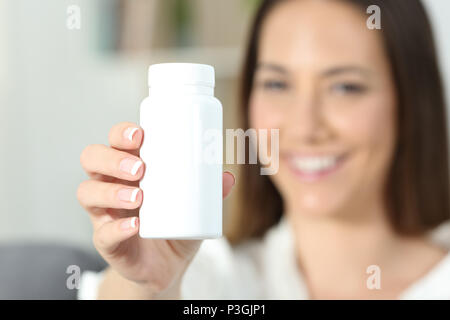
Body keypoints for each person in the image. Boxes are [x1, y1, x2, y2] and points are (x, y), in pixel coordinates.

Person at [76, 0, 450, 299]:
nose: (305, 127)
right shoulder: (209, 277)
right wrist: (147, 288)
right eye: (277, 84)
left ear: (411, 101)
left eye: (345, 87)